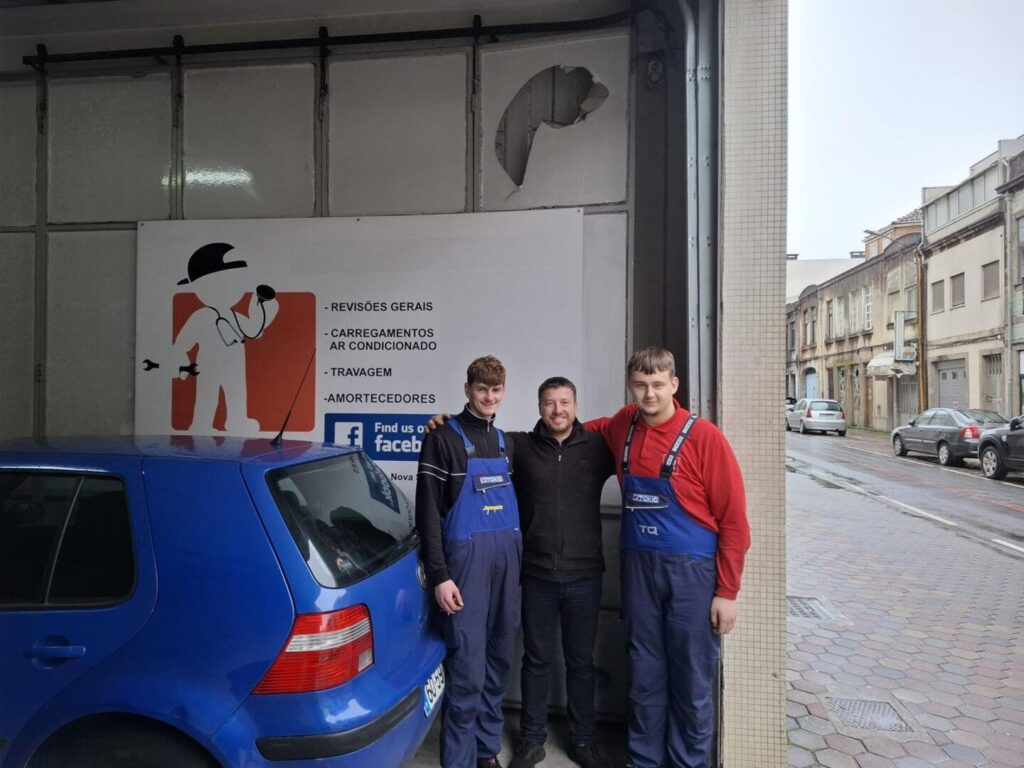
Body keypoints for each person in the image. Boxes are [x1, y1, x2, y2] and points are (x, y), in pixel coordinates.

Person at [586, 346, 749, 768]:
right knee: (644, 675)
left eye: (658, 385)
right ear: (630, 386)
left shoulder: (705, 438)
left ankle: (687, 763)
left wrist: (727, 592)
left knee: (691, 680)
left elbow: (734, 523)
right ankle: (643, 761)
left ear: (674, 384)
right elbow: (575, 431)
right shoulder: (622, 424)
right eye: (640, 385)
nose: (650, 394)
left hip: (692, 575)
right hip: (638, 570)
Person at [416, 356, 521, 768]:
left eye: (496, 390)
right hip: (465, 570)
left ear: (503, 392)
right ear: (467, 390)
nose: (489, 398)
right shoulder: (442, 439)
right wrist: (440, 576)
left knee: (498, 660)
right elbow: (427, 514)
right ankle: (459, 760)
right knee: (467, 667)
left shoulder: (506, 443)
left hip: (506, 568)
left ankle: (485, 751)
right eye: (481, 390)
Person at [507, 377, 615, 768]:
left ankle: (583, 741)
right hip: (537, 575)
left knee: (580, 664)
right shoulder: (520, 446)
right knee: (536, 661)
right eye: (550, 403)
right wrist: (442, 424)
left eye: (565, 402)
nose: (558, 410)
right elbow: (474, 437)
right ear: (539, 407)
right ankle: (531, 740)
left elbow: (635, 430)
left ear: (575, 405)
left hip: (585, 576)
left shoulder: (598, 447)